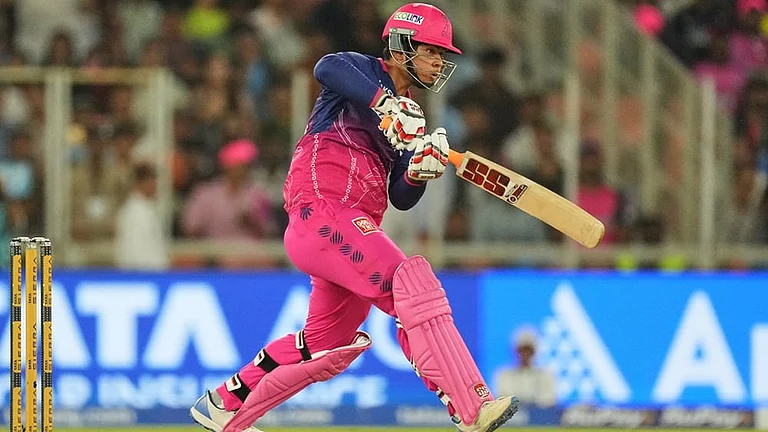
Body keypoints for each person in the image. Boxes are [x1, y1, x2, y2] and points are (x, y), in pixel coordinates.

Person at [190, 3, 519, 432]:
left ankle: (225, 404)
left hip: (346, 232)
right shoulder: (360, 71)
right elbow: (326, 68)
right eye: (432, 51)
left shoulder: (412, 114)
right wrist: (384, 103)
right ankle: (470, 406)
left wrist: (418, 170)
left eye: (443, 55)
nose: (440, 63)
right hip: (321, 212)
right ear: (401, 47)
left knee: (325, 346)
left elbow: (401, 197)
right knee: (411, 283)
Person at [114, 163, 169, 270]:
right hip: (142, 278)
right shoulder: (136, 212)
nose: (156, 185)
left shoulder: (144, 209)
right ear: (141, 182)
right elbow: (135, 255)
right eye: (152, 180)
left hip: (150, 278)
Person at [494, 328, 556, 408]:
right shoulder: (504, 375)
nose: (525, 354)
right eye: (522, 350)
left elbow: (548, 401)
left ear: (534, 352)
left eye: (528, 350)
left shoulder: (545, 375)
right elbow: (503, 400)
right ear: (516, 351)